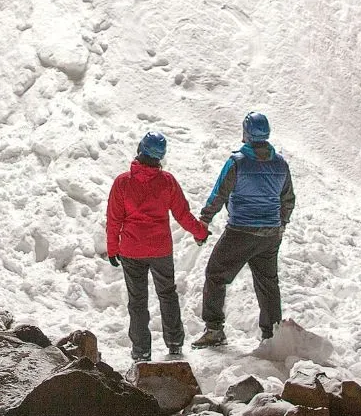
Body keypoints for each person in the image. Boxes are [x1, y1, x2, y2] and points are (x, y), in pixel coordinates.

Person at [194, 111, 295, 347]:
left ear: (246, 133)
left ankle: (214, 330)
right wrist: (280, 224)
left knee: (216, 275)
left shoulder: (237, 162)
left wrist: (205, 219)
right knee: (268, 283)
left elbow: (219, 193)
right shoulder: (280, 163)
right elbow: (288, 199)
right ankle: (272, 336)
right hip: (270, 234)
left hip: (240, 231)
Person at [106, 130, 209, 362]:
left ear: (140, 150)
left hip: (132, 250)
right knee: (168, 294)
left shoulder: (122, 183)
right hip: (161, 249)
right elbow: (182, 214)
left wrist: (113, 248)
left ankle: (141, 350)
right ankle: (174, 342)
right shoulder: (167, 182)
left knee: (137, 300)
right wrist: (200, 231)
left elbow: (114, 219)